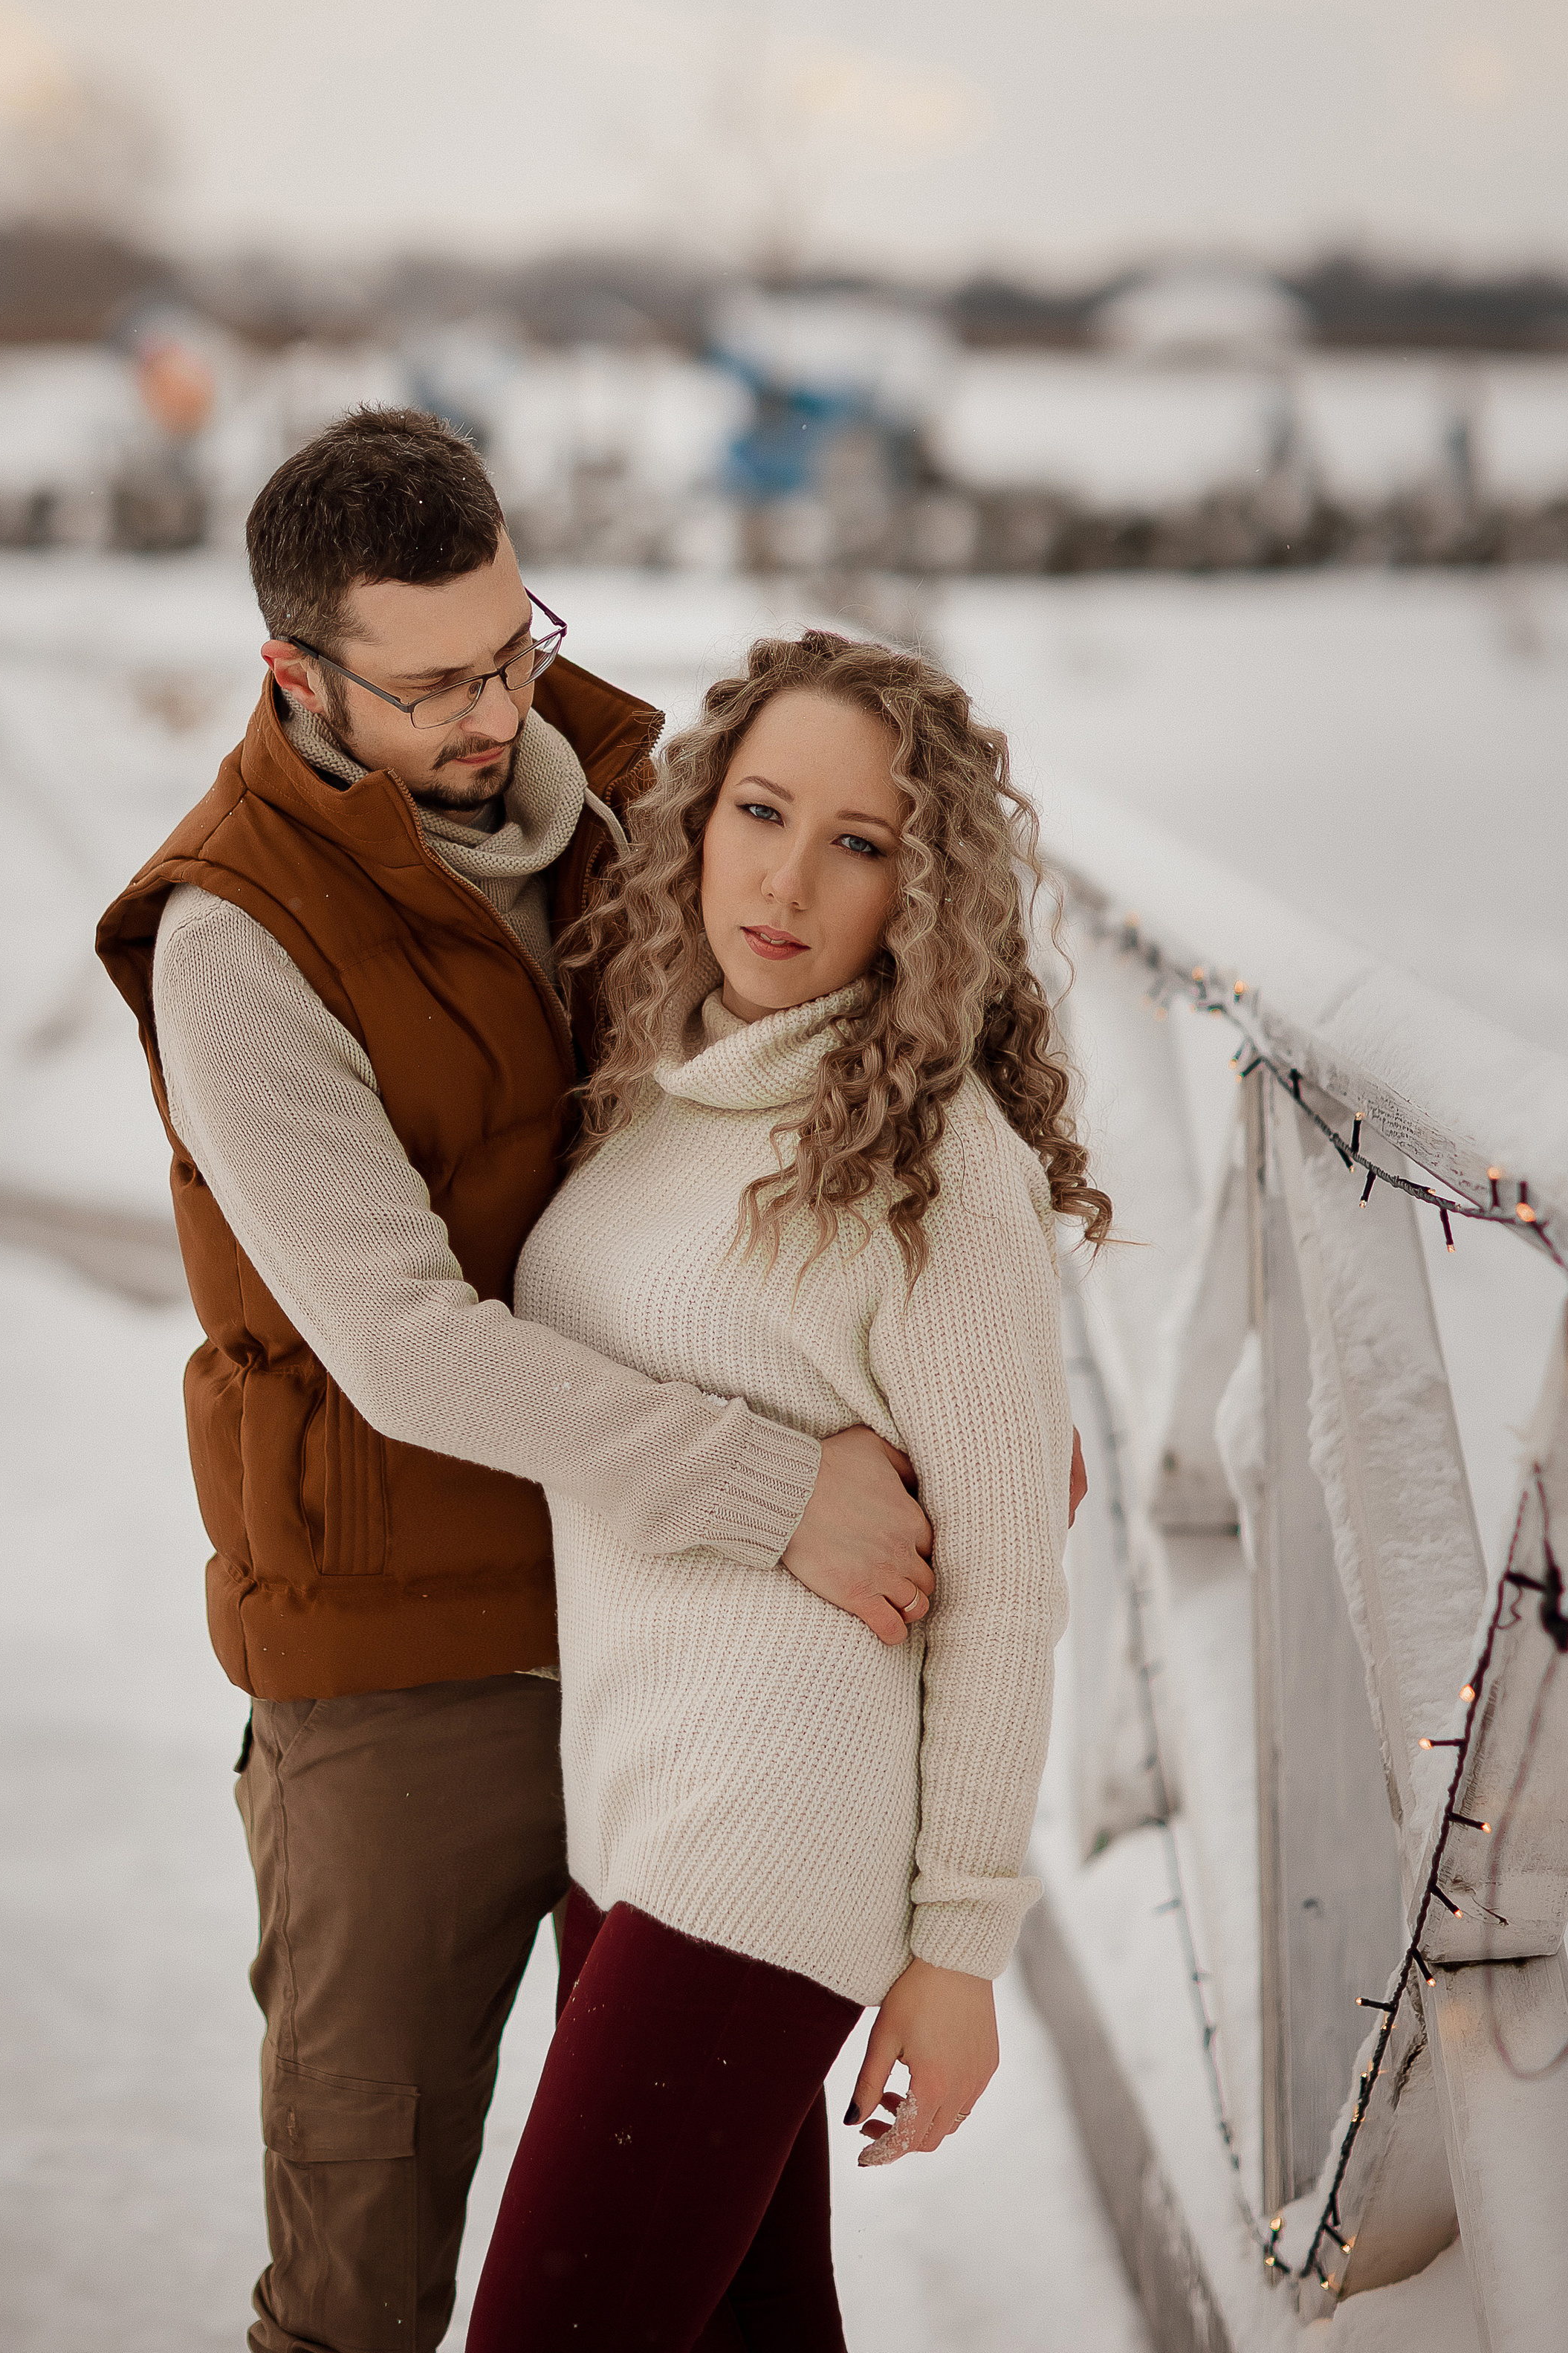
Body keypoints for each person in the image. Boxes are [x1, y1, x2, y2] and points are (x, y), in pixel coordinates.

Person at [94, 410, 946, 2353]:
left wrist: (955, 1398)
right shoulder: (235, 937)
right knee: (363, 2272)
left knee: (720, 2258)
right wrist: (774, 1488)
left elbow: (862, 1073)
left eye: (515, 645)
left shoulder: (654, 786)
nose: (497, 709)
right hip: (408, 1663)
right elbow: (403, 1347)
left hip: (678, 1638)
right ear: (294, 675)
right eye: (435, 684)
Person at [467, 629, 1112, 2353]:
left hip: (763, 1834)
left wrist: (959, 1952)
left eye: (859, 842)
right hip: (626, 1806)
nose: (787, 879)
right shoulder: (665, 1090)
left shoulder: (933, 1167)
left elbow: (1005, 1584)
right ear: (695, 820)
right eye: (759, 811)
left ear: (924, 889)